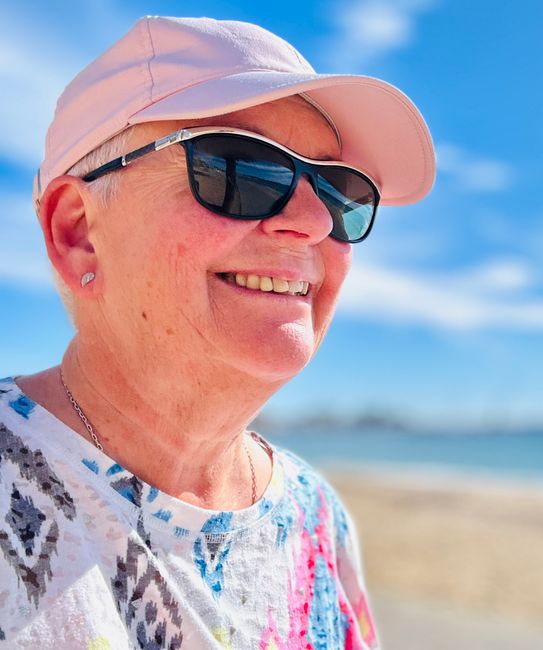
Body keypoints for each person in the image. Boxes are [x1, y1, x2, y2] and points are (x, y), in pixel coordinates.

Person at [0, 15, 434, 648]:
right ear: (78, 231)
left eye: (340, 192)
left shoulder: (318, 521)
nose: (313, 221)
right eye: (242, 170)